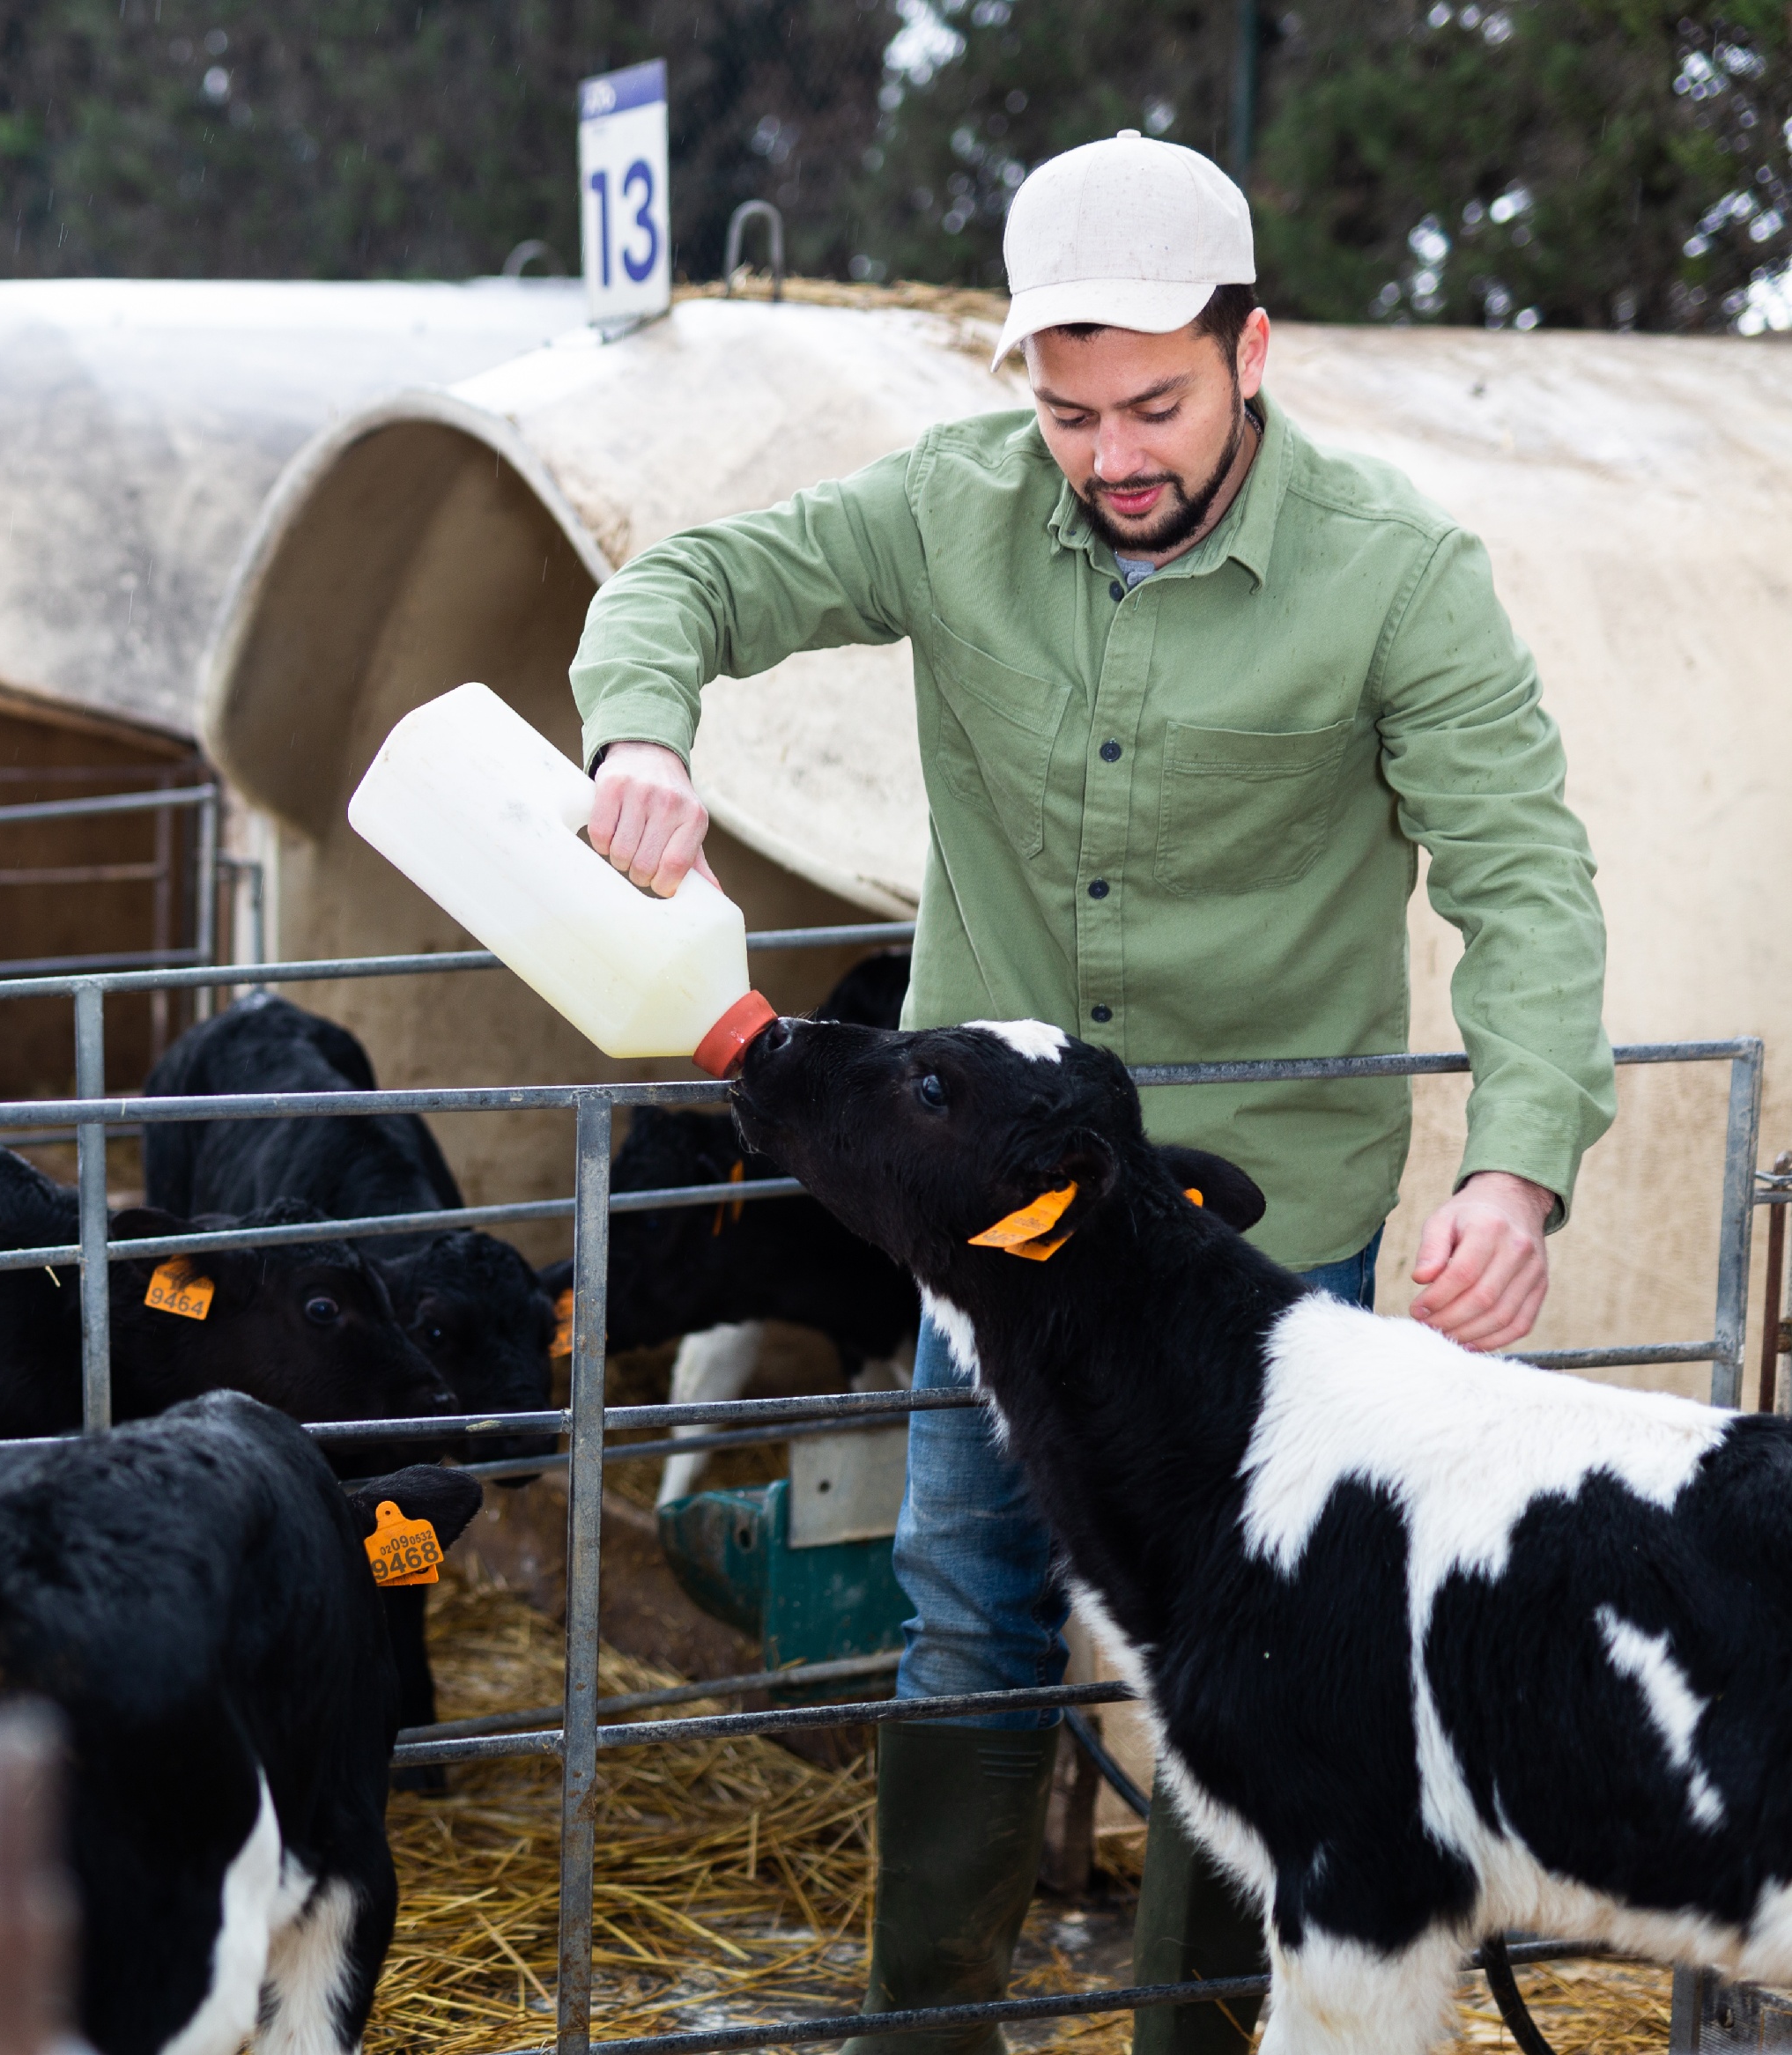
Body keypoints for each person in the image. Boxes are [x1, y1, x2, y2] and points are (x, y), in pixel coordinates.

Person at [569, 130, 1614, 2055]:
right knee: (966, 1614)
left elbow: (1524, 882)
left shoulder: (1397, 577)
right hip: (986, 1231)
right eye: (1068, 413)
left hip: (1271, 1229)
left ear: (1252, 351)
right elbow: (696, 582)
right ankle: (926, 2037)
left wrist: (1520, 1170)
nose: (1112, 453)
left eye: (1155, 403)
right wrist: (641, 726)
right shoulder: (950, 508)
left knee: (1269, 1661)